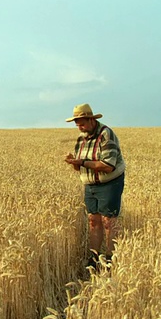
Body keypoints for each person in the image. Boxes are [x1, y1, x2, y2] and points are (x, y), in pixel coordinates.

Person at [64, 103, 126, 270]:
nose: (80, 127)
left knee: (109, 222)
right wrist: (74, 162)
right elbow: (80, 167)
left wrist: (81, 162)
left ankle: (110, 258)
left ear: (91, 120)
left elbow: (108, 165)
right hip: (90, 185)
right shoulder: (81, 140)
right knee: (93, 220)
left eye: (82, 123)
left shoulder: (106, 135)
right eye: (77, 124)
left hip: (110, 183)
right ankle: (94, 257)